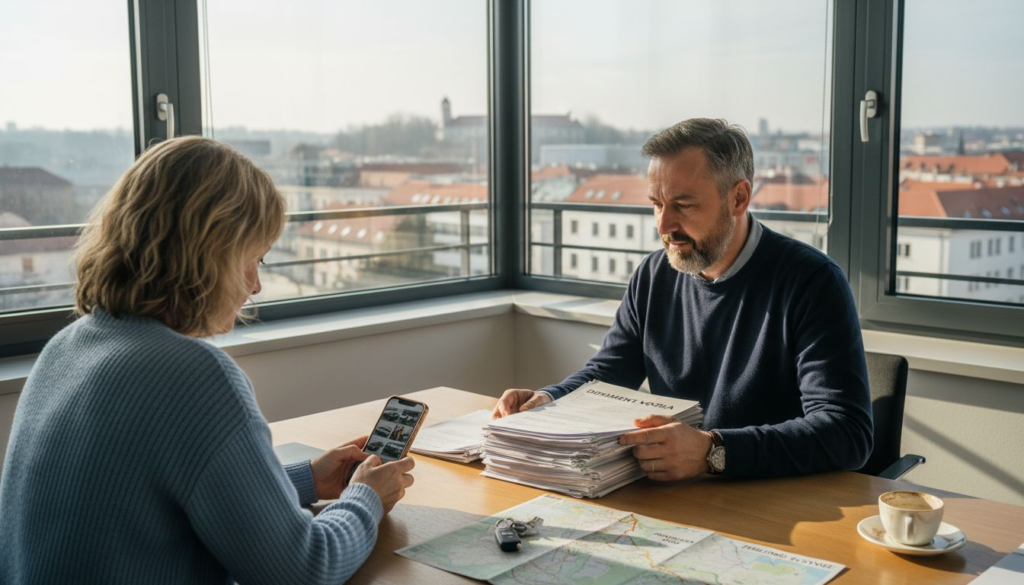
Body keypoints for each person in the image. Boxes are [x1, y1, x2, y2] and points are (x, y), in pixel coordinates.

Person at [0, 136, 414, 584]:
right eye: (253, 258)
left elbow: (158, 501)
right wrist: (364, 499)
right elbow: (302, 570)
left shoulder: (68, 347)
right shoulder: (192, 375)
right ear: (209, 255)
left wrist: (307, 480)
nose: (255, 286)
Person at [494, 118, 873, 481]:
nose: (663, 225)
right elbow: (608, 372)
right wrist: (547, 399)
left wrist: (713, 452)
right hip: (678, 495)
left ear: (739, 197)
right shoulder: (654, 274)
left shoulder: (812, 281)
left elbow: (847, 432)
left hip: (775, 502)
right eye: (657, 204)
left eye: (683, 205)